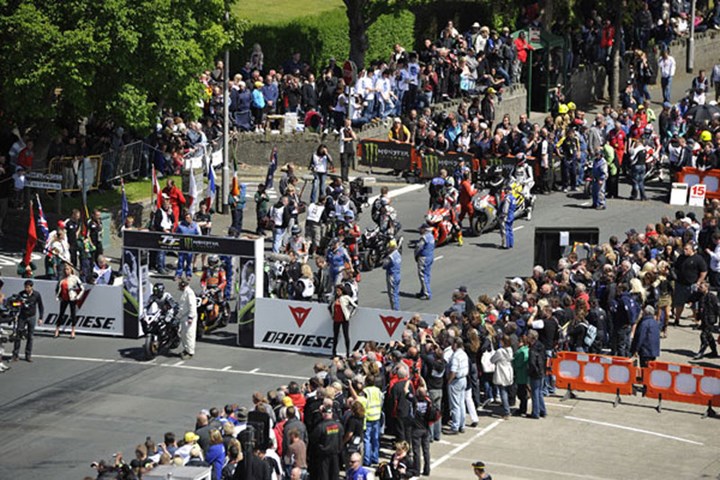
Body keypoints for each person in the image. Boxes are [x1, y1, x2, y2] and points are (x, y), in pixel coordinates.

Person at [673, 242, 707, 327]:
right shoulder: (681, 257)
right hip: (680, 284)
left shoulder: (698, 259)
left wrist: (699, 282)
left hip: (692, 285)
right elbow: (676, 268)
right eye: (684, 249)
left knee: (694, 305)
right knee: (679, 303)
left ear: (692, 250)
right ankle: (677, 319)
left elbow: (704, 271)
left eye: (686, 249)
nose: (684, 251)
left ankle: (696, 321)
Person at [12, 280, 44, 362]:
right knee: (18, 335)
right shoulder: (21, 294)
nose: (26, 289)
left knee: (30, 336)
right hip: (22, 317)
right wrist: (17, 311)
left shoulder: (36, 294)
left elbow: (40, 306)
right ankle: (15, 354)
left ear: (31, 287)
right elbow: (15, 304)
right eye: (25, 287)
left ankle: (28, 355)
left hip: (32, 317)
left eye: (28, 287)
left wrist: (40, 318)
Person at [310, 405, 344, 480]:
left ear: (323, 414)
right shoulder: (339, 426)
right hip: (335, 454)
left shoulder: (320, 426)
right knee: (334, 475)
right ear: (331, 414)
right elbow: (342, 438)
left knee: (324, 475)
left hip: (324, 456)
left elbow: (313, 440)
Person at [54, 264, 84, 339]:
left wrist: (78, 296)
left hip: (72, 298)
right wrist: (58, 296)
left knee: (73, 314)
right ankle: (57, 330)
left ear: (71, 270)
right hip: (64, 298)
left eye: (68, 269)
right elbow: (57, 288)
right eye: (65, 269)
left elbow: (82, 288)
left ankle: (73, 331)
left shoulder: (75, 278)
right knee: (61, 314)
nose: (66, 271)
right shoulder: (62, 278)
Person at [691, 281, 719, 360]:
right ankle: (714, 352)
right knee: (709, 336)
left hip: (710, 320)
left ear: (706, 287)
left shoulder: (712, 297)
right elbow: (698, 306)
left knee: (703, 336)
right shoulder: (700, 296)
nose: (699, 288)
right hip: (704, 319)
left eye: (701, 287)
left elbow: (718, 309)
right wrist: (698, 317)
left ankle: (701, 352)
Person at [446, 337, 469, 434]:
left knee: (455, 405)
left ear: (455, 344)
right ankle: (461, 425)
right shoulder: (464, 353)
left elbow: (453, 371)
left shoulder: (455, 356)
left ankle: (455, 426)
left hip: (456, 381)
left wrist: (449, 381)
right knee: (461, 403)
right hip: (463, 379)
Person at [490, 335, 514, 419]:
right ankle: (507, 407)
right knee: (506, 390)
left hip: (501, 372)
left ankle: (507, 411)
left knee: (503, 391)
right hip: (508, 371)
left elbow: (492, 360)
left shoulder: (500, 351)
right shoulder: (510, 350)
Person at [329, 284, 356, 358]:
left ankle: (347, 353)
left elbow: (354, 306)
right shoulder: (334, 298)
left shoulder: (346, 298)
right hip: (336, 319)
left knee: (346, 336)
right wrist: (332, 314)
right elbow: (329, 306)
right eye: (336, 291)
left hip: (344, 319)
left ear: (342, 291)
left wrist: (350, 315)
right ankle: (333, 352)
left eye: (338, 291)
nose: (337, 292)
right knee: (335, 336)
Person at [175, 211, 201, 281]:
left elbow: (198, 235)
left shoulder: (194, 226)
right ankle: (178, 274)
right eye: (186, 218)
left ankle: (188, 274)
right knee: (180, 261)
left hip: (190, 246)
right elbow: (176, 234)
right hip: (182, 246)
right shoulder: (181, 226)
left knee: (189, 262)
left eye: (189, 218)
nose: (188, 219)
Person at [527, 330, 547, 419]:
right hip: (542, 371)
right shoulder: (541, 345)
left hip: (536, 373)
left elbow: (532, 362)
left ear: (531, 338)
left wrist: (530, 372)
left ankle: (535, 412)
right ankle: (542, 410)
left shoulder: (533, 349)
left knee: (535, 393)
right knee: (539, 392)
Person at [153, 198, 175, 274]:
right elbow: (156, 224)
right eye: (165, 204)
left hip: (168, 232)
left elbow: (173, 220)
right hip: (161, 233)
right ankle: (160, 267)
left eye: (168, 204)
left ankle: (163, 265)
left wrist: (170, 214)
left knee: (165, 250)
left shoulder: (169, 211)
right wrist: (163, 229)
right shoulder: (159, 212)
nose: (166, 206)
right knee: (161, 251)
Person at [178, 278, 198, 360]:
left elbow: (192, 306)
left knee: (189, 334)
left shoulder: (189, 293)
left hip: (189, 317)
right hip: (183, 316)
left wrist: (190, 317)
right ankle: (186, 349)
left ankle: (190, 352)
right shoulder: (185, 292)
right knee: (183, 334)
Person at [415, 223, 435, 300]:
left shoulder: (424, 238)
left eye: (421, 229)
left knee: (422, 275)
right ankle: (423, 291)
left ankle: (427, 293)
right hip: (430, 257)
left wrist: (416, 256)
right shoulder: (431, 236)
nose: (420, 230)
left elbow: (418, 248)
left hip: (424, 257)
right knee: (427, 275)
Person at [382, 239, 402, 311]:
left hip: (392, 276)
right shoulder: (398, 254)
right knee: (396, 293)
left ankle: (395, 310)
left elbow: (384, 265)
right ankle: (395, 308)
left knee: (392, 294)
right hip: (398, 275)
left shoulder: (390, 257)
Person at [499, 184, 515, 249]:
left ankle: (505, 244)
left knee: (505, 230)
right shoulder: (513, 197)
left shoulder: (507, 198)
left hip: (506, 216)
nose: (505, 191)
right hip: (511, 215)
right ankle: (511, 243)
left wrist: (502, 215)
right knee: (510, 229)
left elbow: (505, 209)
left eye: (506, 190)